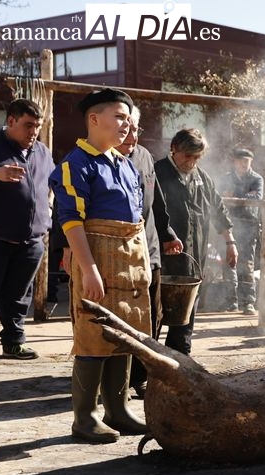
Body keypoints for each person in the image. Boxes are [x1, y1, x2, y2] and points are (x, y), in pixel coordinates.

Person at [49, 88, 148, 443]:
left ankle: (117, 409)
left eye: (128, 119)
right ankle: (85, 417)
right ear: (94, 119)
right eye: (119, 117)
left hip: (129, 263)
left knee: (123, 335)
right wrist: (89, 269)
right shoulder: (76, 164)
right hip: (97, 262)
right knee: (93, 336)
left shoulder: (126, 164)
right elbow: (71, 221)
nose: (126, 125)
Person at [0, 99, 54, 362]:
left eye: (37, 126)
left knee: (19, 295)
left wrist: (49, 208)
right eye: (28, 125)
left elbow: (50, 184)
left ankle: (14, 342)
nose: (34, 132)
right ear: (11, 121)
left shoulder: (42, 151)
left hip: (31, 240)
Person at [115, 107, 183, 397]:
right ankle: (116, 378)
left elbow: (156, 202)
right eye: (126, 128)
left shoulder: (144, 157)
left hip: (149, 246)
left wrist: (167, 234)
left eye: (136, 129)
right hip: (116, 252)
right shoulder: (101, 159)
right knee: (120, 314)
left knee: (152, 315)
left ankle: (141, 376)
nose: (132, 135)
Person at [155, 128, 237, 355]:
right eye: (187, 156)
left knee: (187, 313)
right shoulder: (157, 173)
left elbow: (218, 210)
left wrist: (230, 242)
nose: (191, 162)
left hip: (193, 258)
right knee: (155, 314)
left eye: (196, 157)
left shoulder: (202, 178)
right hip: (161, 259)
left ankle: (180, 360)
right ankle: (145, 367)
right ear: (174, 148)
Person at [220, 147, 263, 315]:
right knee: (229, 263)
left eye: (247, 161)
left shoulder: (256, 178)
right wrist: (244, 194)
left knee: (247, 264)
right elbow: (221, 197)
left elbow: (256, 197)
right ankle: (231, 302)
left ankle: (248, 302)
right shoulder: (226, 178)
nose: (244, 164)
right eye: (241, 161)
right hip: (229, 224)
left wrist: (236, 194)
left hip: (249, 225)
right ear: (235, 162)